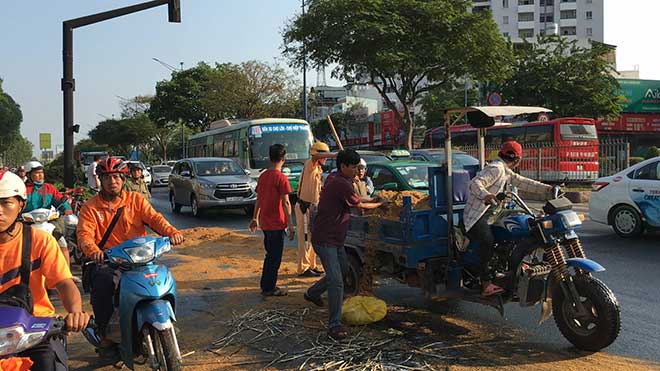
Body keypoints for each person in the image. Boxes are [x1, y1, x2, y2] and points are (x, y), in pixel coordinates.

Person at [77, 157, 184, 357]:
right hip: (110, 261)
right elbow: (84, 234)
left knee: (163, 277)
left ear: (123, 179)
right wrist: (93, 251)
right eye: (107, 177)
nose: (112, 181)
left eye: (116, 177)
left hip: (140, 259)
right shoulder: (90, 207)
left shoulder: (135, 200)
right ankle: (106, 333)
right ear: (100, 179)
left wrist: (171, 232)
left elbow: (154, 218)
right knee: (104, 283)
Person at [0, 170, 90, 371]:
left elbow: (64, 282)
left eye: (6, 203)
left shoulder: (39, 240)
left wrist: (75, 312)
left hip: (33, 333)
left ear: (21, 205)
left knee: (49, 365)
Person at [303, 149, 386, 340]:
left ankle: (312, 293)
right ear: (344, 166)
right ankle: (334, 325)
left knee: (342, 269)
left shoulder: (337, 178)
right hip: (326, 240)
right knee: (337, 281)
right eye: (354, 167)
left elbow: (357, 199)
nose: (358, 170)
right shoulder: (340, 183)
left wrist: (374, 199)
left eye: (359, 166)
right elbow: (359, 205)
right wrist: (380, 205)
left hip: (334, 238)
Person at [465, 141, 553, 297]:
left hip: (493, 215)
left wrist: (548, 189)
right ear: (518, 160)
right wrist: (486, 195)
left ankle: (510, 268)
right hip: (476, 217)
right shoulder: (496, 169)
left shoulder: (504, 171)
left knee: (517, 230)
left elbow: (523, 182)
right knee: (487, 241)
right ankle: (485, 283)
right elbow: (475, 183)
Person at [248, 144, 295, 297]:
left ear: (270, 157)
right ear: (283, 158)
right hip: (277, 224)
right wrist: (291, 225)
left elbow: (259, 200)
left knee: (270, 255)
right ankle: (269, 287)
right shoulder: (281, 178)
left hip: (266, 223)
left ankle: (266, 285)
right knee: (275, 257)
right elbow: (286, 202)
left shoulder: (263, 176)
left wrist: (255, 218)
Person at [295, 141, 335, 278]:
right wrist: (336, 155)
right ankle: (303, 268)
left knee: (312, 239)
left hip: (312, 208)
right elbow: (316, 157)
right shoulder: (309, 165)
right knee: (304, 239)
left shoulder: (318, 169)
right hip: (303, 207)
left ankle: (311, 265)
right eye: (324, 156)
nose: (325, 159)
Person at [24, 161, 74, 267]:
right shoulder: (22, 189)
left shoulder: (49, 188)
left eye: (41, 172)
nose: (40, 175)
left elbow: (59, 199)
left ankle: (67, 274)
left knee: (62, 243)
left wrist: (66, 208)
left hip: (47, 221)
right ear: (29, 175)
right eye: (37, 173)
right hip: (26, 222)